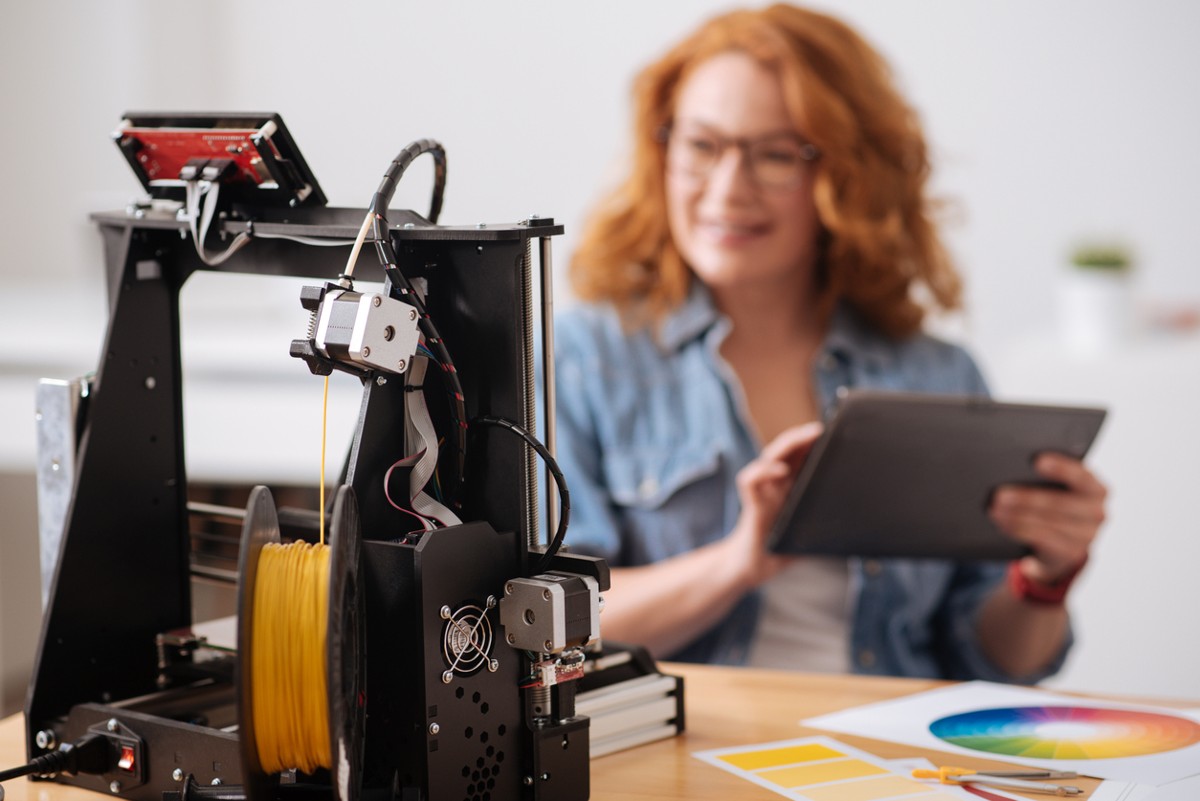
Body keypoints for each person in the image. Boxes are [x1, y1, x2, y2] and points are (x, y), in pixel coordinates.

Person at [552, 3, 1107, 682]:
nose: (727, 190)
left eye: (777, 155)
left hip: (892, 757)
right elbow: (552, 627)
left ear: (849, 177)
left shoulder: (938, 373)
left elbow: (996, 663)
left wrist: (1046, 574)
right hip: (683, 752)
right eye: (701, 146)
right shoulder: (584, 356)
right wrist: (740, 560)